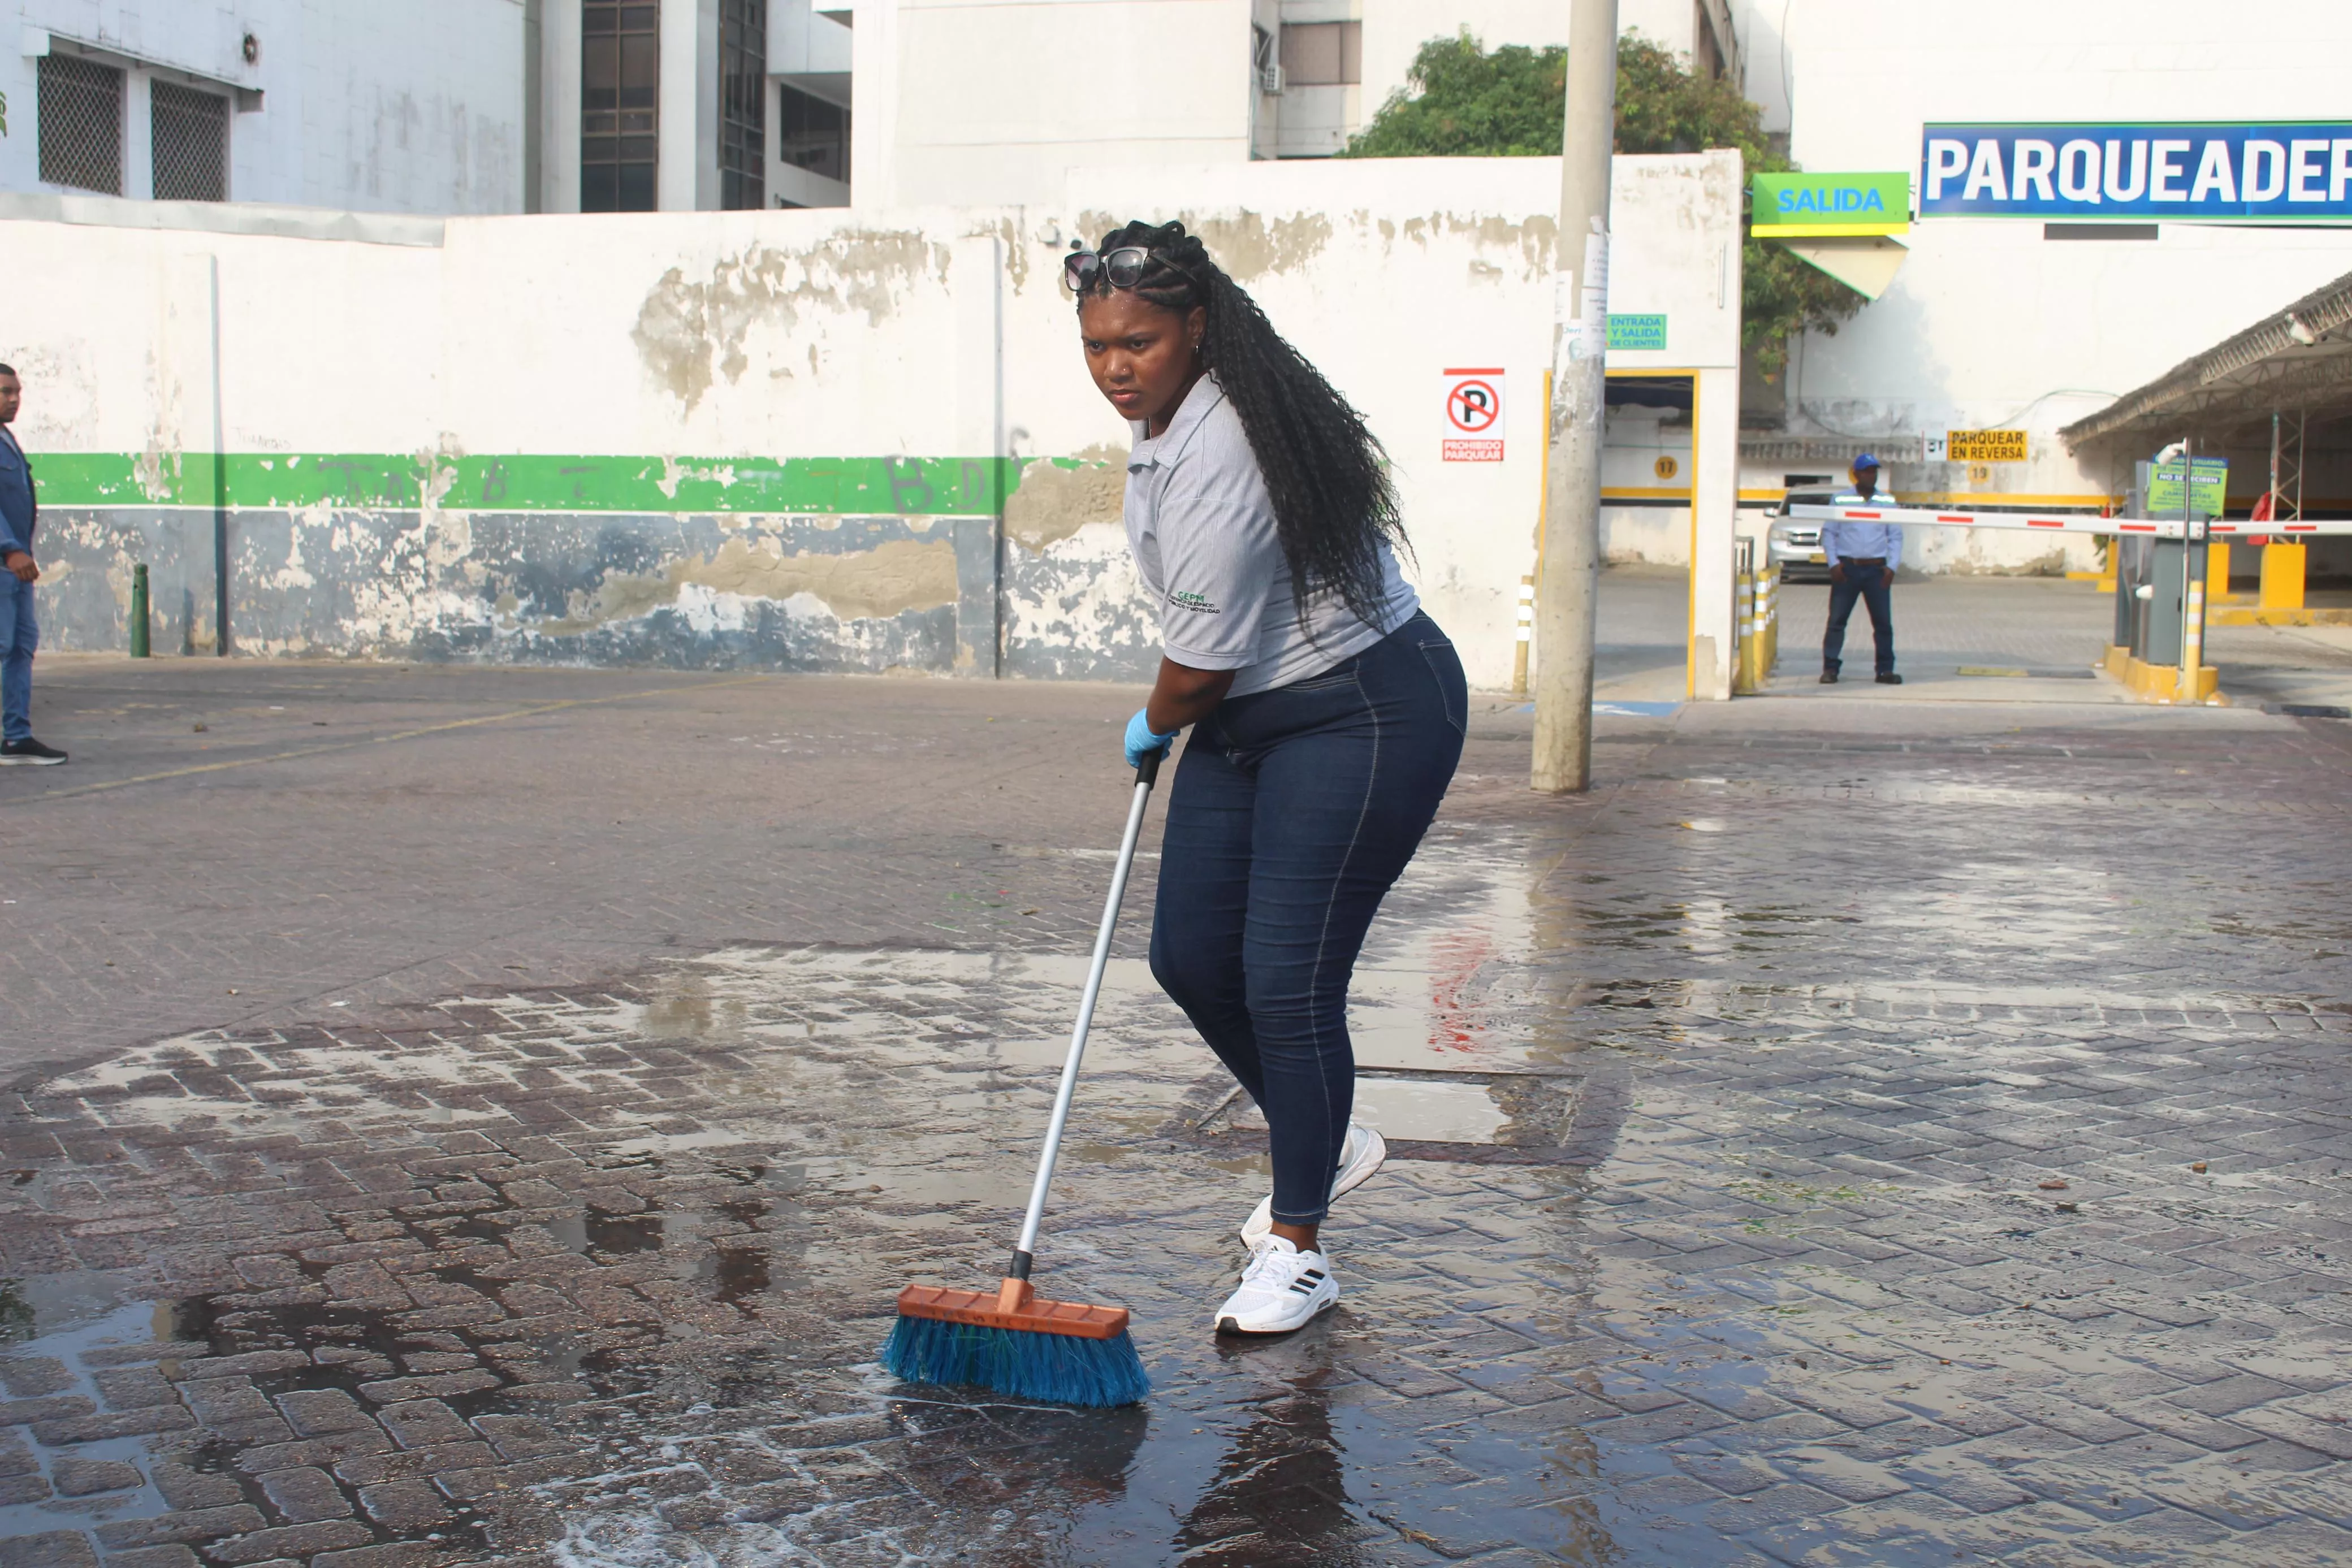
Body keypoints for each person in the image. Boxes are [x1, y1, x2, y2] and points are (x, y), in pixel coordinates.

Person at [1068, 220, 1467, 1337]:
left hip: (1364, 708)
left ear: (1196, 328)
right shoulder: (1162, 427)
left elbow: (1193, 671)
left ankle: (1298, 1250)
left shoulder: (1222, 449)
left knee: (1285, 977)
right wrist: (1175, 716)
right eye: (1097, 344)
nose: (1115, 365)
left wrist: (1152, 723)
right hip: (1253, 716)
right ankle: (1326, 1130)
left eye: (1138, 341)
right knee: (1190, 957)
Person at [0, 364, 65, 765]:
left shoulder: (7, 438)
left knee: (21, 647)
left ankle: (16, 736)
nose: (13, 399)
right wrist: (9, 548)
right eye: (6, 391)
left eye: (17, 391)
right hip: (6, 562)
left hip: (17, 568)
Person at [1819, 452, 1903, 686]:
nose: (1871, 475)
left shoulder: (1887, 501)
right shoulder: (1841, 499)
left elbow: (1895, 536)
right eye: (1866, 471)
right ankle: (1830, 669)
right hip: (1848, 570)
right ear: (1856, 474)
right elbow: (1830, 533)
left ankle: (1885, 670)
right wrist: (1834, 564)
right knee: (1837, 621)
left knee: (1883, 624)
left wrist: (1892, 567)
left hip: (1876, 571)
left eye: (1874, 471)